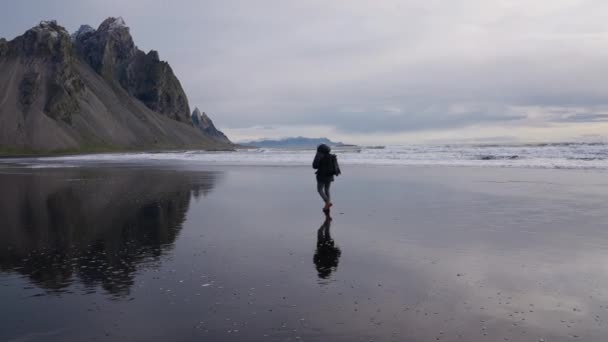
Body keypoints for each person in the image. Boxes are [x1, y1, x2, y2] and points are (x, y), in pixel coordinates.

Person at [312, 144, 336, 212]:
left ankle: (327, 203)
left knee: (319, 190)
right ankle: (327, 205)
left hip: (321, 176)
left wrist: (316, 156)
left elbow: (314, 166)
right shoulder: (331, 156)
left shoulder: (319, 155)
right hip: (330, 175)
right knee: (327, 189)